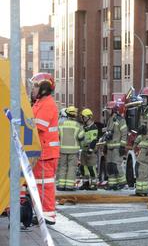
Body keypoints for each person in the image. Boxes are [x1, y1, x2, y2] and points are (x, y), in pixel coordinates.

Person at [30, 73, 60, 225]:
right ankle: (42, 213)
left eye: (35, 86)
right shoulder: (39, 103)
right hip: (41, 152)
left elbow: (37, 127)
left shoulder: (47, 104)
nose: (32, 90)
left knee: (45, 185)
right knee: (39, 184)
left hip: (46, 153)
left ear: (43, 88)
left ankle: (48, 215)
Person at [57, 106, 85, 191]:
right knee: (72, 168)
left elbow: (56, 136)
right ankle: (69, 186)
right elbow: (81, 137)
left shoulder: (60, 124)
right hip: (73, 151)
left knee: (62, 167)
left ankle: (61, 186)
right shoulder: (78, 125)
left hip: (62, 150)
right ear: (75, 115)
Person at [104, 101, 128, 190]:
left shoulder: (120, 120)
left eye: (109, 109)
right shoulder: (110, 119)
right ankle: (112, 184)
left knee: (116, 165)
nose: (107, 111)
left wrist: (122, 146)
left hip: (117, 147)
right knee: (110, 166)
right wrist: (106, 146)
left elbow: (124, 133)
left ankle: (123, 183)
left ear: (114, 109)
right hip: (110, 146)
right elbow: (108, 133)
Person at [79, 108, 99, 190]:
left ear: (88, 117)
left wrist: (91, 149)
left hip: (90, 150)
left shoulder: (93, 127)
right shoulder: (85, 127)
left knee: (91, 167)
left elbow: (94, 140)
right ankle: (86, 183)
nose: (82, 119)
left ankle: (94, 184)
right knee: (83, 167)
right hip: (84, 150)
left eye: (84, 117)